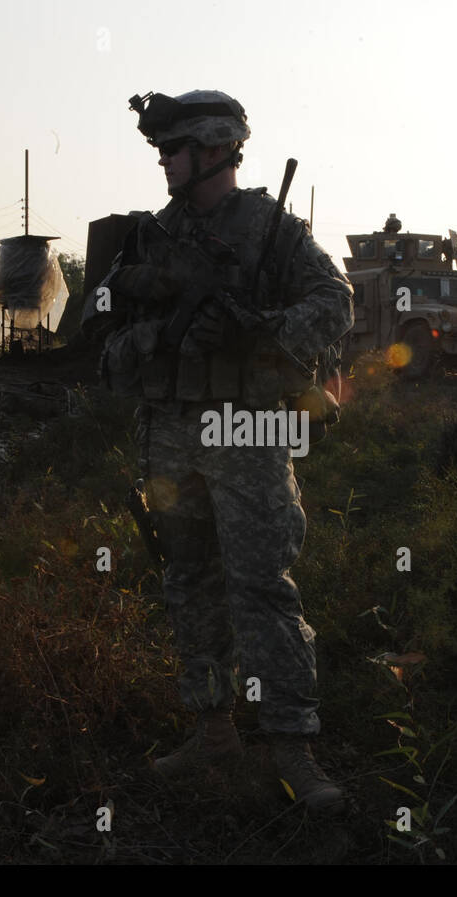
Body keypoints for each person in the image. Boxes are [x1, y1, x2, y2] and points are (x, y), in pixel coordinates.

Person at [81, 90, 353, 811]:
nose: (164, 162)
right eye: (162, 150)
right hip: (169, 430)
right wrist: (159, 336)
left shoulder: (271, 229)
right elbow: (93, 333)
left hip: (247, 431)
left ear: (214, 149)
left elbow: (335, 302)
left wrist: (259, 333)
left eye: (174, 149)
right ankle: (212, 728)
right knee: (189, 580)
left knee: (263, 584)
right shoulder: (142, 237)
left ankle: (293, 743)